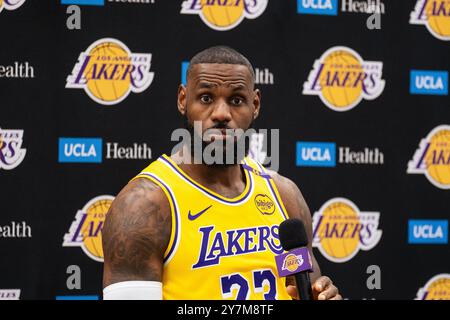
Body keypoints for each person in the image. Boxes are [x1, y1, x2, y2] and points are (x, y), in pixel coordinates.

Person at [102, 46, 342, 300]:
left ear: (255, 104)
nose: (221, 114)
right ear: (183, 100)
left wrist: (321, 294)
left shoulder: (284, 194)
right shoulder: (144, 205)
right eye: (206, 98)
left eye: (236, 100)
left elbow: (307, 284)